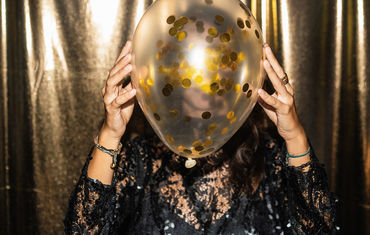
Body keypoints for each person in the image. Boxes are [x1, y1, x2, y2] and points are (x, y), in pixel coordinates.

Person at [64, 41, 337, 234]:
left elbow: (320, 229)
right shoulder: (140, 160)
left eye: (218, 72)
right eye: (192, 72)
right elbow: (83, 230)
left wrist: (294, 135)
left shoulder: (271, 157)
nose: (206, 83)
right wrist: (111, 134)